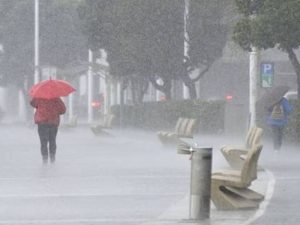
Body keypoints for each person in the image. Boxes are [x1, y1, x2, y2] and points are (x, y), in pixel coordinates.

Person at [30, 98, 66, 164]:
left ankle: (45, 159)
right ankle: (52, 159)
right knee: (52, 140)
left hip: (42, 122)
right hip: (53, 122)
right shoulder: (56, 99)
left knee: (43, 142)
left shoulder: (39, 98)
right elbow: (63, 110)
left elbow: (32, 103)